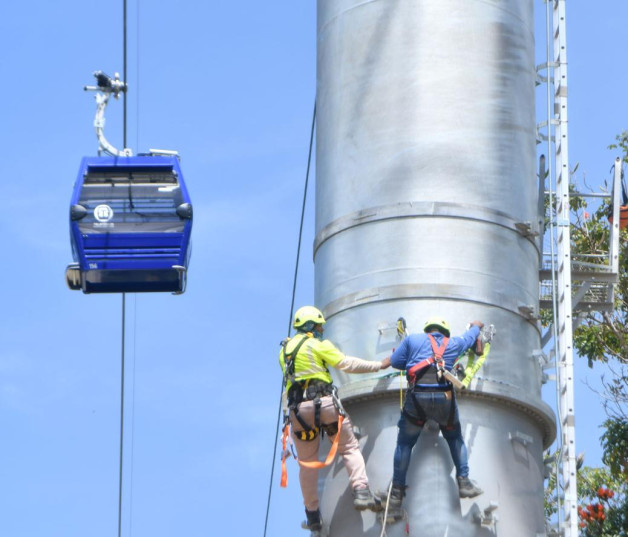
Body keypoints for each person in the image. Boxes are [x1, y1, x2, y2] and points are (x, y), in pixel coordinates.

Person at [279, 306, 391, 532]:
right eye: (319, 326)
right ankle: (361, 491)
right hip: (325, 405)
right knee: (349, 448)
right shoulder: (319, 345)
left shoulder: (284, 352)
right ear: (311, 326)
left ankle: (312, 515)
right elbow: (346, 364)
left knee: (307, 464)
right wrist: (380, 364)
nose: (321, 330)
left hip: (298, 413)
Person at [385, 317, 484, 515]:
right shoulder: (453, 343)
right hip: (444, 399)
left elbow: (395, 362)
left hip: (417, 400)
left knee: (404, 444)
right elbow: (471, 336)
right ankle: (464, 482)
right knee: (455, 437)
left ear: (427, 330)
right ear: (444, 332)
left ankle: (396, 492)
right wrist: (476, 326)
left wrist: (412, 360)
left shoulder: (412, 340)